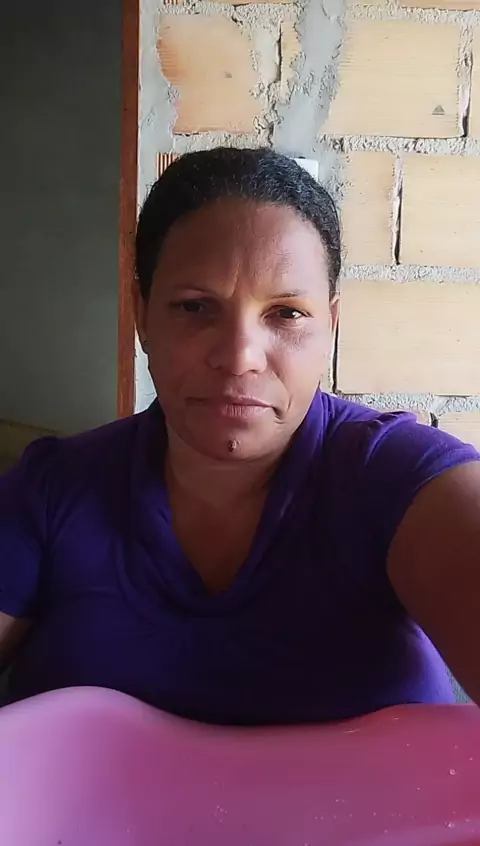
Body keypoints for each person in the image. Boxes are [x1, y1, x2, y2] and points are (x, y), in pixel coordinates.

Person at [0, 146, 480, 725]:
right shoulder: (50, 492)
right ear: (142, 314)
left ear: (330, 325)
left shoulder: (397, 476)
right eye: (195, 307)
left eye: (286, 313)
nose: (239, 357)